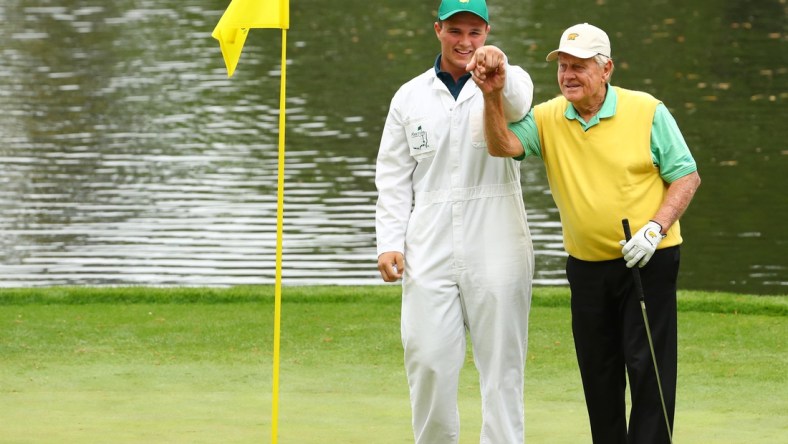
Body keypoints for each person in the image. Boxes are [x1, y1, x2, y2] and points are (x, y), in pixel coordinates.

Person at [471, 22, 701, 444]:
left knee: (647, 370)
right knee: (599, 373)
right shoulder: (547, 116)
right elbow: (502, 145)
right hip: (587, 268)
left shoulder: (647, 109)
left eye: (578, 66)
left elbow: (686, 176)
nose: (568, 75)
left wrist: (655, 228)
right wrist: (491, 96)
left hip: (648, 259)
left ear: (606, 68)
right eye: (563, 66)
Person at [374, 0, 535, 442]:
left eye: (475, 32)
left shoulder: (509, 79)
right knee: (427, 357)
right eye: (456, 31)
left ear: (487, 33)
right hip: (428, 236)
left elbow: (520, 102)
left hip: (498, 233)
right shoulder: (409, 95)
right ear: (438, 30)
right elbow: (392, 175)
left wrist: (496, 67)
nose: (465, 42)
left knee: (502, 364)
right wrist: (388, 242)